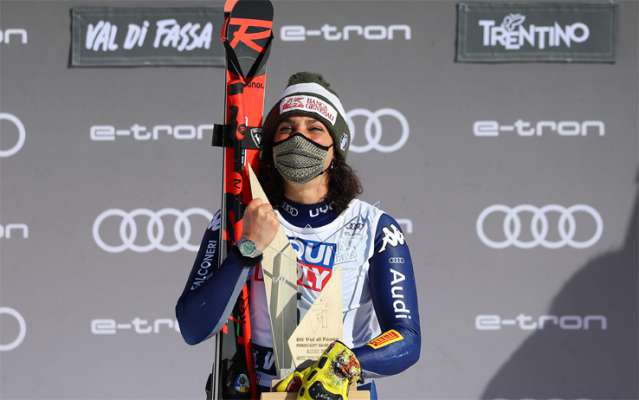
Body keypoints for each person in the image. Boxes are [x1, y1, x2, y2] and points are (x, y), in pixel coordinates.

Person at [176, 72, 421, 399]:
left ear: (337, 148)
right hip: (258, 390)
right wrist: (246, 250)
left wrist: (345, 364)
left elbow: (406, 338)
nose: (298, 138)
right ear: (271, 143)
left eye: (314, 129)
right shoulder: (239, 218)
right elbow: (192, 326)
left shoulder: (374, 227)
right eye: (286, 128)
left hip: (337, 393)